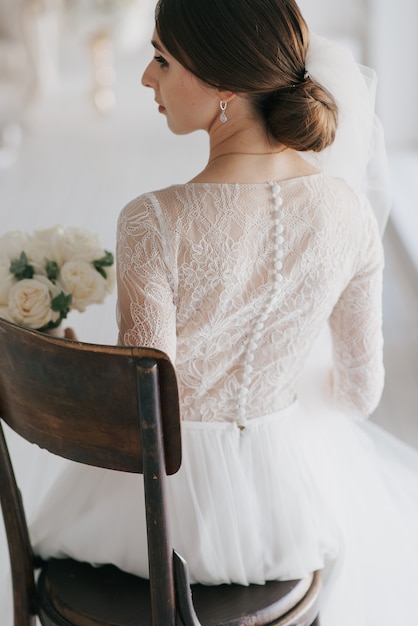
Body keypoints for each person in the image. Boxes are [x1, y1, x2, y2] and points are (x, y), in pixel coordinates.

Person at [2, 1, 418, 624]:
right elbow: (359, 394)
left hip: (155, 532)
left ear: (224, 85)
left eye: (162, 60)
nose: (146, 78)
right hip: (287, 521)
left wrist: (65, 358)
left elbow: (144, 423)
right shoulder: (351, 214)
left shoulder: (155, 221)